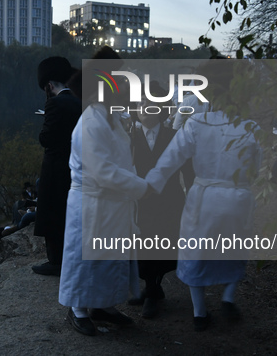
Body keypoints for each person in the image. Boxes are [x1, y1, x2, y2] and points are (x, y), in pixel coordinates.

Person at [145, 60, 263, 331]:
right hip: (237, 197)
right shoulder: (250, 126)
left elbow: (169, 159)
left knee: (195, 253)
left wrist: (151, 184)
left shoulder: (197, 123)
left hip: (205, 198)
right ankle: (228, 297)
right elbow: (256, 168)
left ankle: (199, 313)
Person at [59, 48, 149, 336]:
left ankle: (103, 305)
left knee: (109, 257)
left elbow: (122, 160)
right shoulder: (91, 123)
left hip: (111, 202)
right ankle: (78, 309)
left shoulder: (111, 118)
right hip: (92, 203)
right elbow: (104, 172)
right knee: (87, 258)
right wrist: (141, 186)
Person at [129, 88, 186, 319]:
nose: (144, 106)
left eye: (150, 102)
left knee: (164, 242)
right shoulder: (129, 136)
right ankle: (151, 288)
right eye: (141, 101)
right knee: (142, 243)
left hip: (168, 200)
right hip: (140, 200)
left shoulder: (174, 136)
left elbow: (187, 169)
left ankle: (153, 289)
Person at [32, 56, 82, 276]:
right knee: (67, 214)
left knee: (51, 213)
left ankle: (56, 261)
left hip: (55, 167)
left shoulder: (54, 103)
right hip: (76, 166)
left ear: (50, 85)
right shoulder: (82, 100)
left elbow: (46, 139)